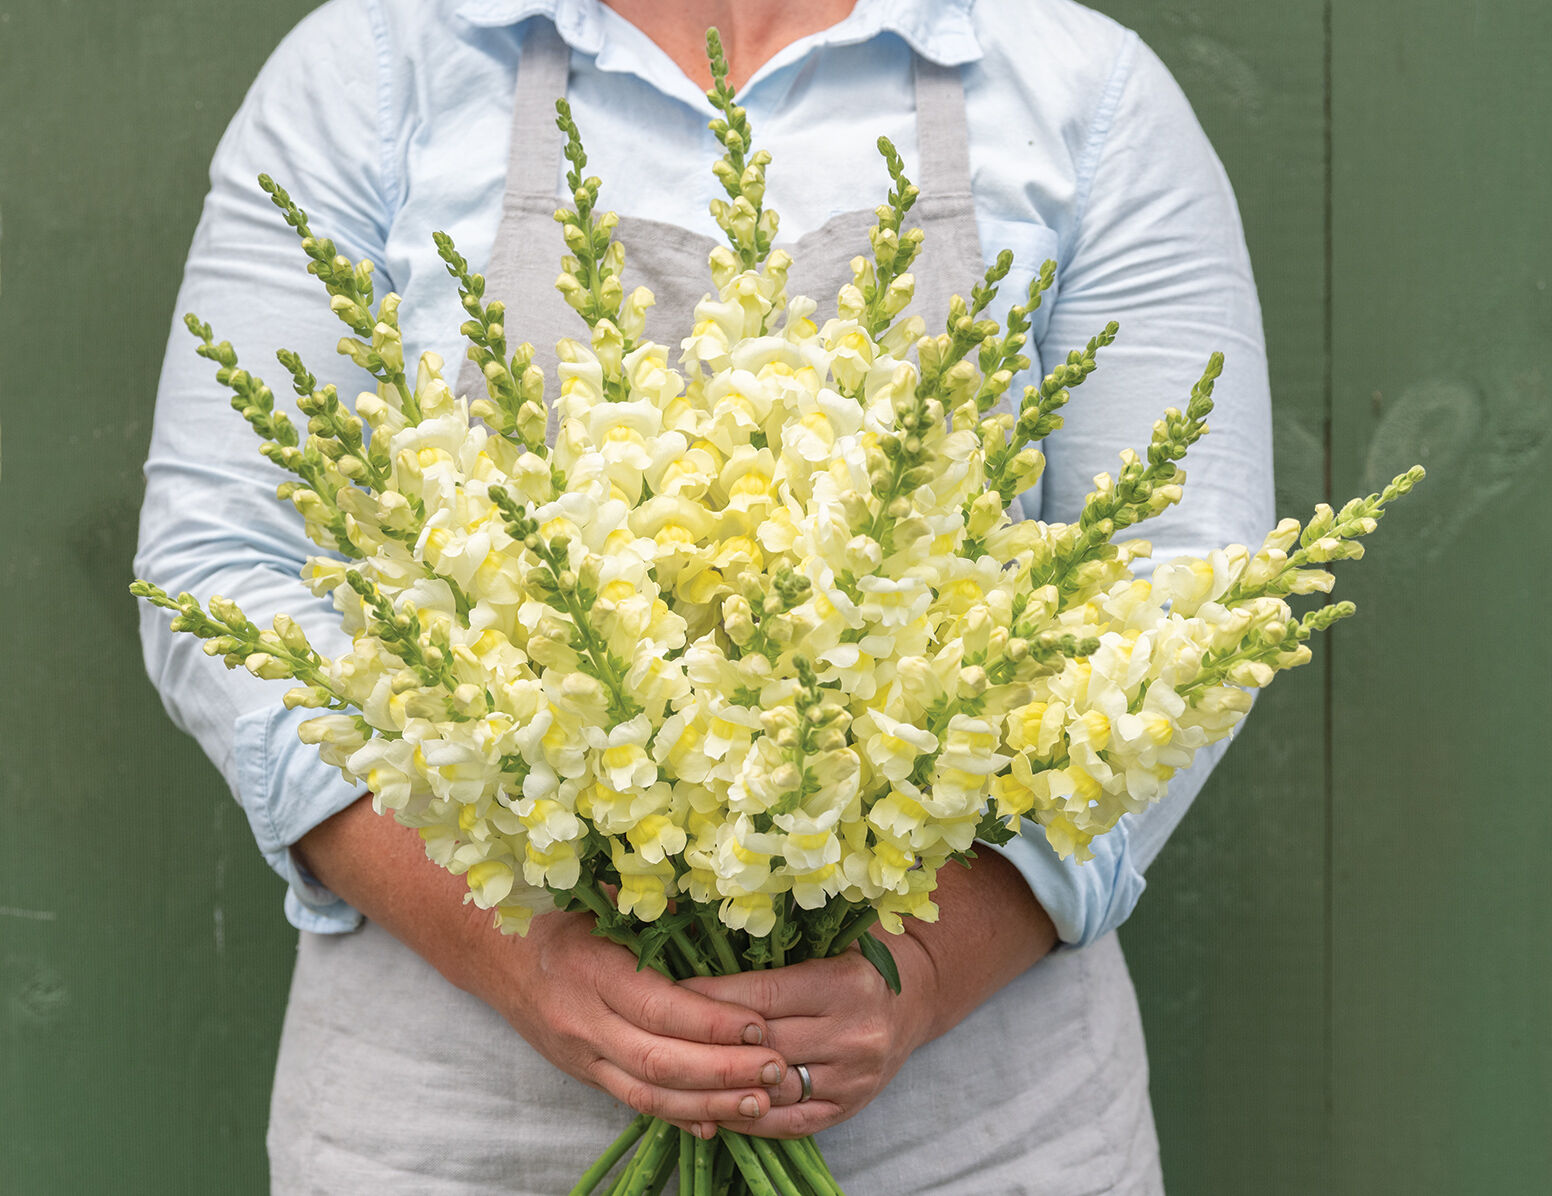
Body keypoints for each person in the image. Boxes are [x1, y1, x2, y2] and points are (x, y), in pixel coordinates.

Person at [135, 1, 1274, 1191]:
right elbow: (222, 568)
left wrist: (922, 972)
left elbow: (1180, 593)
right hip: (456, 1129)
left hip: (973, 1138)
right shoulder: (377, 67)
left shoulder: (1077, 91)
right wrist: (517, 951)